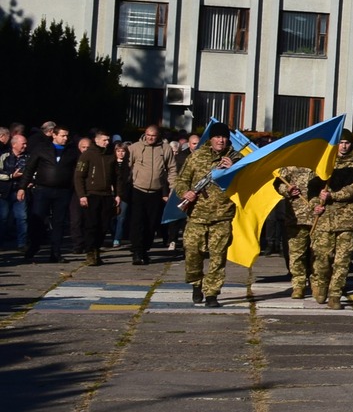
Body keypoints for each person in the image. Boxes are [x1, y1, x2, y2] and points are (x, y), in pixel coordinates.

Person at [172, 122, 236, 306]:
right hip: (197, 214)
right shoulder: (196, 157)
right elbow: (181, 180)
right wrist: (185, 193)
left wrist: (233, 170)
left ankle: (212, 294)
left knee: (218, 257)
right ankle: (196, 283)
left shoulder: (236, 159)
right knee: (192, 252)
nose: (221, 140)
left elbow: (244, 184)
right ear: (211, 139)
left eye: (224, 137)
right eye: (217, 137)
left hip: (222, 216)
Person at [309, 141, 353, 308]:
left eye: (347, 143)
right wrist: (316, 201)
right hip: (325, 220)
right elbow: (312, 189)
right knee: (322, 259)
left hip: (347, 220)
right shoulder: (323, 163)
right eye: (340, 143)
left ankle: (335, 294)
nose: (343, 147)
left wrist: (333, 195)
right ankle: (321, 284)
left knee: (342, 261)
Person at [24, 124, 76, 263]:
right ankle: (34, 246)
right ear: (54, 135)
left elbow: (76, 171)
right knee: (38, 220)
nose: (65, 138)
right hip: (43, 189)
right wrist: (22, 187)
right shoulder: (42, 148)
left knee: (58, 223)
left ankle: (56, 252)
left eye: (67, 136)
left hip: (63, 191)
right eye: (62, 135)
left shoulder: (71, 151)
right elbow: (29, 168)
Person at [125, 124, 176, 264]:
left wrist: (172, 187)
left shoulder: (165, 149)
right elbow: (126, 167)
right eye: (148, 135)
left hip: (156, 191)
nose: (150, 138)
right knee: (137, 222)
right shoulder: (135, 147)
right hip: (138, 190)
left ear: (158, 136)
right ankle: (137, 251)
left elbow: (172, 168)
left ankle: (145, 249)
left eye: (153, 136)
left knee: (151, 223)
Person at [274, 161, 323, 299]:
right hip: (296, 216)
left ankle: (317, 284)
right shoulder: (289, 165)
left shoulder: (320, 164)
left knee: (318, 253)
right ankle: (298, 285)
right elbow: (277, 184)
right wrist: (287, 190)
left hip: (318, 216)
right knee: (296, 254)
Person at [74, 129, 118, 266]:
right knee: (91, 225)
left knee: (104, 225)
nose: (107, 142)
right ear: (97, 140)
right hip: (91, 194)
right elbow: (79, 176)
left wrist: (117, 194)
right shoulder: (87, 155)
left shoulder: (110, 155)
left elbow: (116, 177)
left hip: (106, 195)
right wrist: (82, 195)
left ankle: (97, 249)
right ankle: (90, 252)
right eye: (104, 140)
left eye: (108, 140)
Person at [2, 131, 28, 254]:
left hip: (20, 191)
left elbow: (33, 172)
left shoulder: (28, 157)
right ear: (14, 144)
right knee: (3, 218)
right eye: (23, 144)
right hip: (4, 191)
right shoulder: (4, 156)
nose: (25, 146)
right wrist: (11, 176)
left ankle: (22, 244)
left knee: (21, 217)